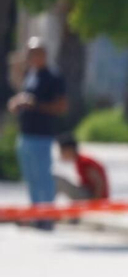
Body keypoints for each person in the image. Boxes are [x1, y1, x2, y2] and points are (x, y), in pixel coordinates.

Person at [8, 38, 68, 214]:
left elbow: (61, 106)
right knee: (31, 177)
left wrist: (36, 105)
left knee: (43, 177)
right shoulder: (30, 75)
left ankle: (47, 216)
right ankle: (35, 214)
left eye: (33, 53)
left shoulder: (53, 77)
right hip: (25, 134)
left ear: (43, 54)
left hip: (42, 135)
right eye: (28, 53)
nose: (30, 57)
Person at [55, 135, 109, 202]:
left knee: (58, 181)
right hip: (90, 195)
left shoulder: (84, 162)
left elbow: (99, 182)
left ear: (69, 150)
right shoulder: (79, 161)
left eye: (62, 151)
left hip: (94, 198)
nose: (61, 154)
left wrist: (95, 202)